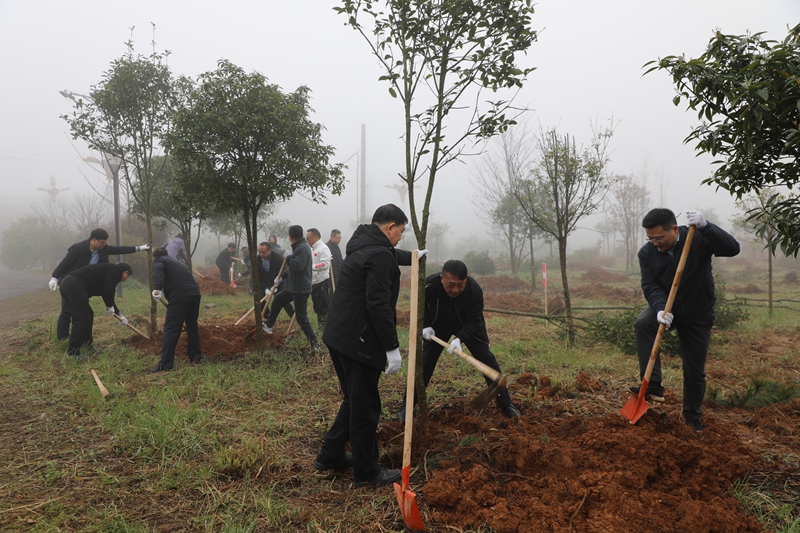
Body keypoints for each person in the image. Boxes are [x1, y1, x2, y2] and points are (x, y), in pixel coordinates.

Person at [315, 204, 426, 488]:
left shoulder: (362, 244)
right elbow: (377, 304)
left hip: (338, 336)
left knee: (354, 399)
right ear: (390, 227)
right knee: (365, 407)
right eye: (400, 232)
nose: (400, 238)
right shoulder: (379, 254)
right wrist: (391, 347)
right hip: (359, 342)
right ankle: (366, 472)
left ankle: (330, 455)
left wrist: (413, 257)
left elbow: (387, 254)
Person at [631, 209, 740, 432]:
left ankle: (692, 416)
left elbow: (732, 249)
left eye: (659, 238)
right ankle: (652, 385)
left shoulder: (697, 238)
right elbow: (650, 285)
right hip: (668, 307)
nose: (655, 243)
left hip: (697, 312)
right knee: (644, 323)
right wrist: (661, 309)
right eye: (650, 239)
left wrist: (706, 226)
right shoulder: (647, 253)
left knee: (694, 369)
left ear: (673, 229)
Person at [398, 259, 521, 421]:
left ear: (466, 280)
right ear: (442, 278)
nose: (455, 289)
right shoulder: (429, 286)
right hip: (438, 326)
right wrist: (425, 325)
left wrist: (459, 338)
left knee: (487, 360)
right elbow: (419, 306)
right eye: (451, 284)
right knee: (425, 362)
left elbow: (474, 321)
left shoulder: (474, 290)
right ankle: (407, 406)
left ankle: (505, 404)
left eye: (460, 285)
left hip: (467, 326)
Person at [49, 228, 150, 341]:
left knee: (85, 312)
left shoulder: (103, 249)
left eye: (105, 242)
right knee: (68, 310)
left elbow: (119, 249)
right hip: (71, 282)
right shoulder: (78, 248)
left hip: (86, 284)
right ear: (94, 240)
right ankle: (63, 338)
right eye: (102, 242)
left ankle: (83, 340)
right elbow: (65, 264)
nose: (104, 245)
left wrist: (139, 248)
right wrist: (54, 278)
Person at [59, 262, 133, 356]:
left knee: (88, 315)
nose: (125, 280)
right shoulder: (116, 270)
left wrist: (119, 314)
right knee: (81, 319)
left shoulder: (108, 272)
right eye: (127, 277)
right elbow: (108, 289)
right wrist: (110, 306)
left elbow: (106, 293)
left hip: (69, 285)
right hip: (73, 285)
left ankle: (87, 345)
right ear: (125, 273)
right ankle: (72, 351)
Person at [263, 226, 317, 350]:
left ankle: (314, 342)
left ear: (290, 236)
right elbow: (293, 269)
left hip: (300, 289)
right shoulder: (299, 246)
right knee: (279, 298)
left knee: (302, 318)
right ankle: (270, 325)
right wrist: (282, 276)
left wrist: (288, 257)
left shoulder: (302, 248)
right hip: (294, 287)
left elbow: (298, 266)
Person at [150, 248, 203, 372]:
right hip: (195, 294)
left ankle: (165, 365)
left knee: (171, 328)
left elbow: (158, 272)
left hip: (180, 296)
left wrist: (157, 288)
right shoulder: (176, 262)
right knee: (191, 326)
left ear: (155, 257)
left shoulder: (159, 261)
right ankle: (195, 357)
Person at [255, 242, 292, 318]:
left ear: (270, 250)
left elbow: (284, 271)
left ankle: (293, 315)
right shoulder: (257, 259)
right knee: (259, 298)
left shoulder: (278, 258)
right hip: (264, 283)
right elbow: (258, 276)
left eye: (263, 252)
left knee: (282, 299)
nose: (261, 254)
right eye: (260, 252)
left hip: (277, 282)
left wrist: (278, 283)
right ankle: (268, 316)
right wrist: (265, 288)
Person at [306, 228, 332, 331]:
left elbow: (326, 264)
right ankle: (320, 327)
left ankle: (324, 328)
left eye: (308, 238)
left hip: (322, 281)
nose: (307, 240)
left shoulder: (323, 248)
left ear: (315, 237)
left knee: (323, 307)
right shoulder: (312, 249)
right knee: (316, 306)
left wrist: (311, 267)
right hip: (313, 281)